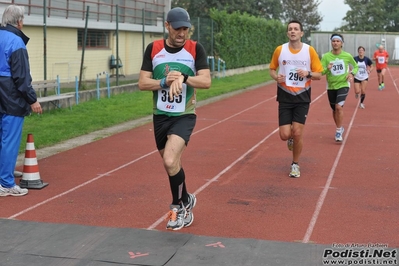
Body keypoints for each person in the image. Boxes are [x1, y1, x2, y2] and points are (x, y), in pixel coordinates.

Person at [138, 7, 211, 230]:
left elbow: (206, 81)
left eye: (185, 29)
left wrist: (184, 77)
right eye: (177, 28)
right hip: (160, 116)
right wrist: (164, 82)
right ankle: (187, 198)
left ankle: (178, 209)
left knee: (170, 160)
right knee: (172, 164)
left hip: (184, 115)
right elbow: (142, 83)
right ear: (167, 26)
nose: (182, 33)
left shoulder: (195, 49)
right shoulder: (154, 49)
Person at [269, 20, 323, 178]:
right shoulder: (280, 50)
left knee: (298, 132)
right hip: (285, 96)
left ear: (301, 33)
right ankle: (290, 139)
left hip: (302, 97)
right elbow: (272, 69)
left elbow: (319, 74)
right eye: (290, 29)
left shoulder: (309, 51)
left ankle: (295, 164)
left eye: (296, 29)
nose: (293, 31)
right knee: (285, 135)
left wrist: (308, 74)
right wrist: (276, 77)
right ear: (287, 33)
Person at [0, 5, 42, 197]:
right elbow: (22, 78)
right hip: (10, 96)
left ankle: (4, 174)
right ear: (19, 22)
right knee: (9, 140)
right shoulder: (16, 42)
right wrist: (32, 100)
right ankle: (6, 183)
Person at [321, 33, 358, 142]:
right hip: (331, 86)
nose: (335, 43)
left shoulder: (347, 55)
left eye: (338, 41)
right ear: (331, 42)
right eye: (333, 41)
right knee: (334, 110)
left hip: (344, 84)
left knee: (338, 107)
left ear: (342, 43)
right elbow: (320, 71)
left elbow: (355, 66)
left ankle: (338, 131)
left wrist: (352, 74)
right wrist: (327, 69)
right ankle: (340, 127)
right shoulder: (326, 57)